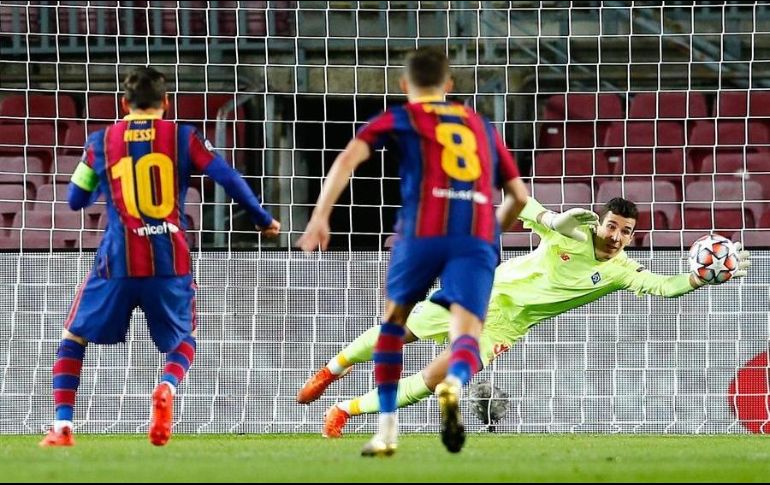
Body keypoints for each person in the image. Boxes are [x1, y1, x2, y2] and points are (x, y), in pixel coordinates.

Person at [297, 196, 751, 437]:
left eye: (626, 233)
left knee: (440, 381)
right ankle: (332, 370)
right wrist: (553, 221)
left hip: (502, 327)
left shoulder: (619, 271)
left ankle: (344, 410)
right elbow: (519, 201)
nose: (617, 237)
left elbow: (662, 287)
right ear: (600, 223)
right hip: (476, 294)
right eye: (612, 226)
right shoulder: (570, 234)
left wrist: (699, 278)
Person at [297, 47, 530, 455]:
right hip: (474, 237)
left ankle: (386, 430)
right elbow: (519, 197)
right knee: (466, 334)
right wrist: (488, 233)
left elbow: (347, 159)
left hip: (422, 231)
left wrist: (320, 217)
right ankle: (453, 384)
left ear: (405, 85)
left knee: (393, 325)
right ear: (450, 85)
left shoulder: (401, 117)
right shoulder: (481, 124)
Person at [39, 66, 281, 448]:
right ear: (166, 103)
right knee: (185, 338)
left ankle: (63, 426)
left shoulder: (100, 141)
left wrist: (96, 180)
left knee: (73, 336)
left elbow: (74, 200)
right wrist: (262, 219)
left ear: (124, 103)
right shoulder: (183, 137)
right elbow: (228, 177)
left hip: (117, 261)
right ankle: (167, 385)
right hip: (170, 259)